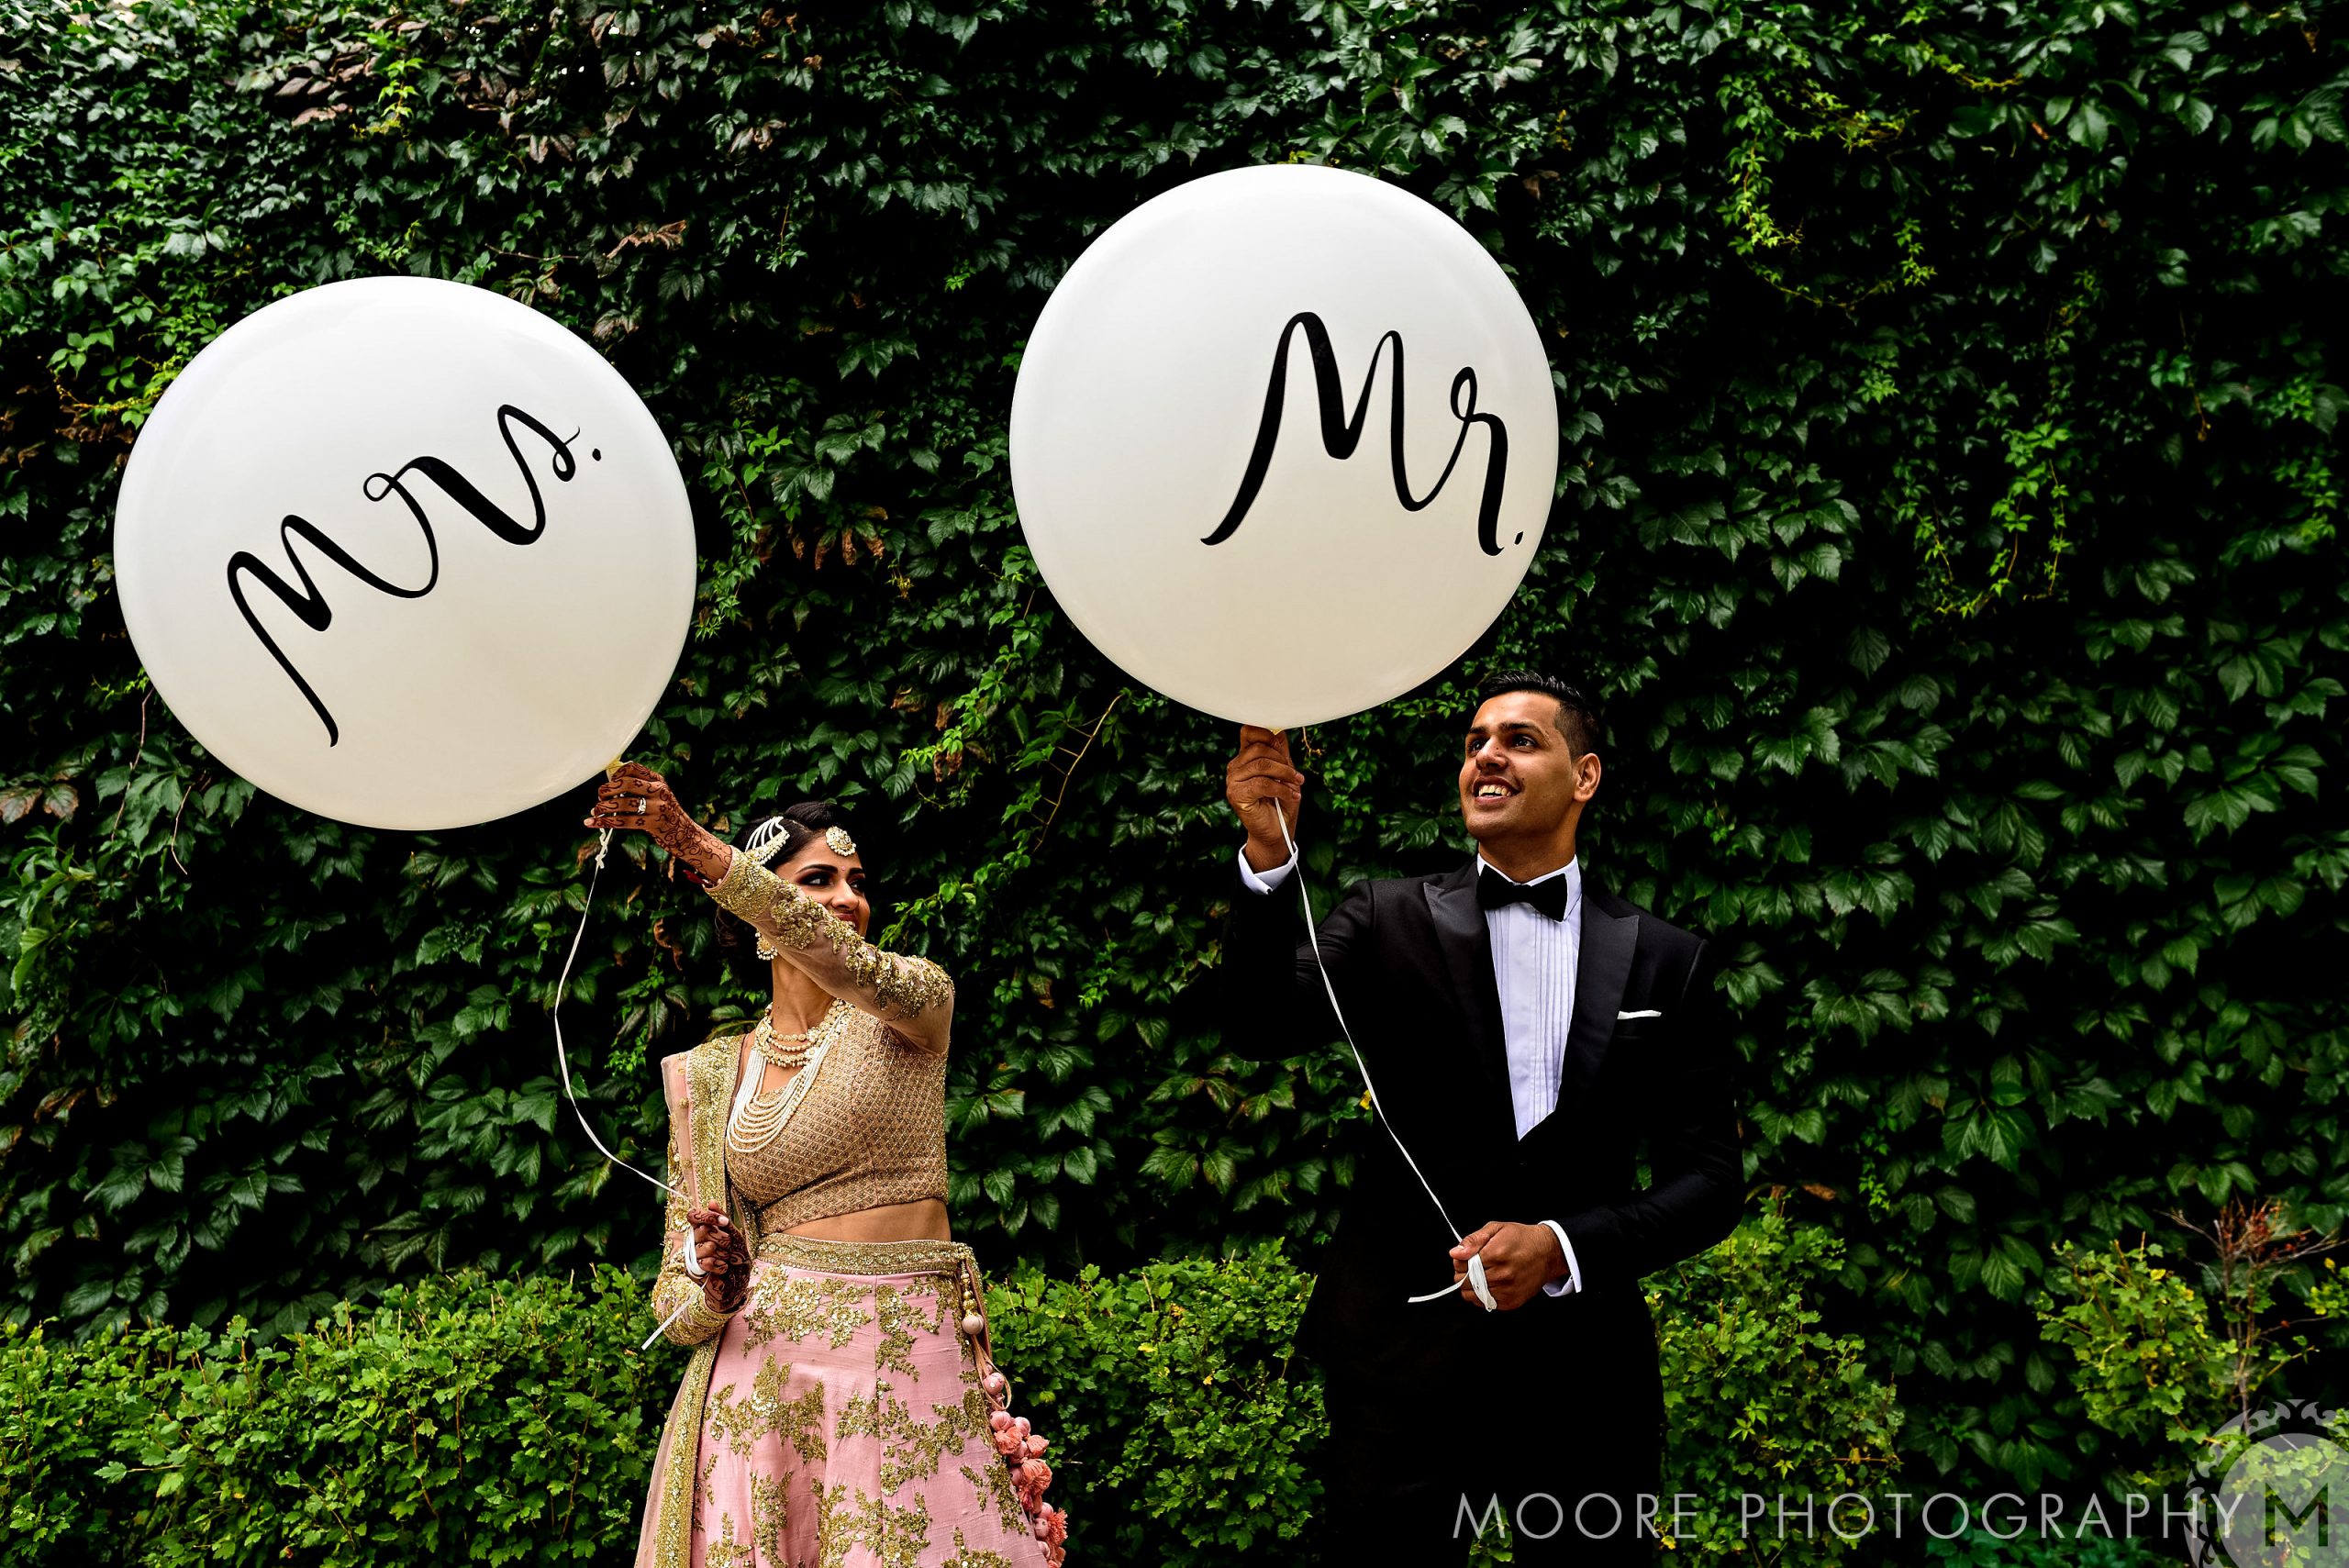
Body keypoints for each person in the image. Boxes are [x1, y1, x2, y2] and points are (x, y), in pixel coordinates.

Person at [1217, 671, 1742, 1565]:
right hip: (1401, 1365)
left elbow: (1711, 1182)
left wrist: (1564, 1245)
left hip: (1585, 1378)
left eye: (1519, 739)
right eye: (1474, 742)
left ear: (1584, 776)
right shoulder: (1382, 917)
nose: (1487, 755)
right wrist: (1269, 854)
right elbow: (1259, 1025)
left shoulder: (1668, 959)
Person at [587, 766, 1068, 1568]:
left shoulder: (913, 1007)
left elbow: (852, 964)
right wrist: (715, 1287)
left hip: (905, 1353)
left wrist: (696, 845)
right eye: (818, 879)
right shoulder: (713, 1076)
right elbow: (674, 1297)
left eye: (857, 881)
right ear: (758, 918)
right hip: (762, 1385)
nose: (848, 898)